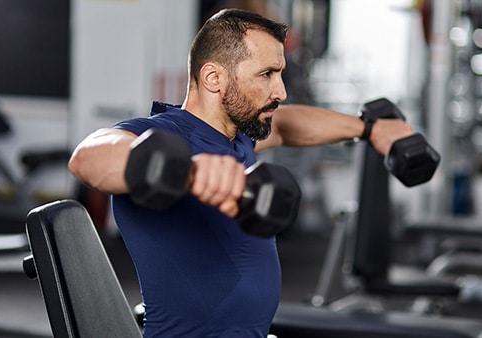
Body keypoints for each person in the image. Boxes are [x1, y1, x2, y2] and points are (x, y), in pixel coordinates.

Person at [68, 8, 413, 338]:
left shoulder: (238, 138)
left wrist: (369, 129)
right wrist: (187, 171)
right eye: (266, 75)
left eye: (279, 74)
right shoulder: (165, 137)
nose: (280, 91)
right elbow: (87, 158)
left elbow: (288, 125)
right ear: (214, 78)